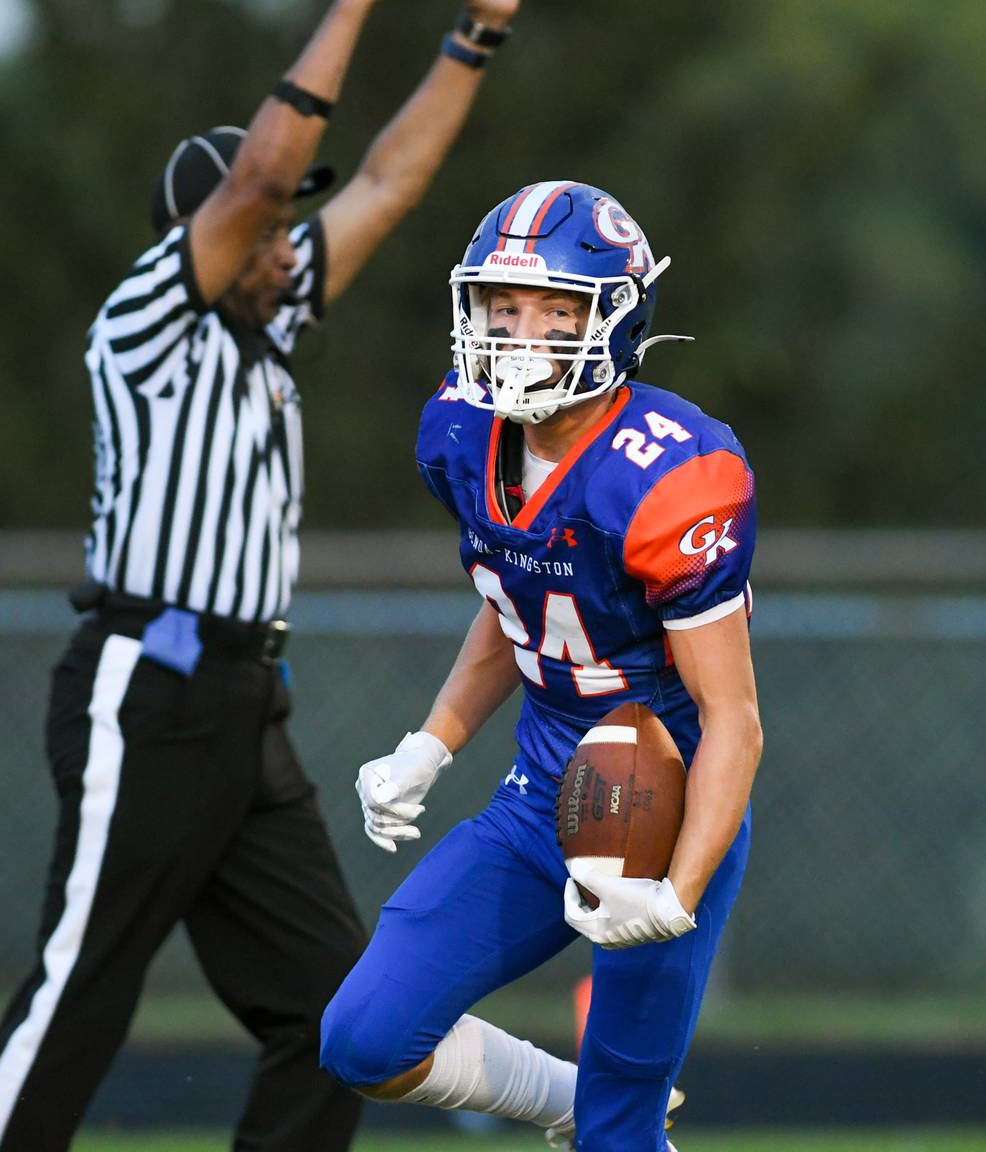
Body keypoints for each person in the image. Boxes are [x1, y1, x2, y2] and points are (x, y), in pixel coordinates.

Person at [0, 2, 522, 1149]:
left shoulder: (265, 324)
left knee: (336, 1018)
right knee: (82, 993)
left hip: (244, 708)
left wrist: (472, 37)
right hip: (147, 688)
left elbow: (386, 185)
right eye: (258, 234)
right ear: (192, 233)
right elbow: (264, 178)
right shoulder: (149, 320)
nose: (283, 246)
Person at [319, 181, 763, 1151]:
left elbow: (734, 719)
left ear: (613, 317)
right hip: (538, 797)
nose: (522, 334)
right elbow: (517, 602)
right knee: (363, 1039)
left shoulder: (669, 473)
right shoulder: (459, 430)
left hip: (663, 808)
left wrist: (674, 890)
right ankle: (560, 1099)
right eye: (503, 307)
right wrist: (430, 746)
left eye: (556, 310)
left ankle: (606, 1116)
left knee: (623, 1130)